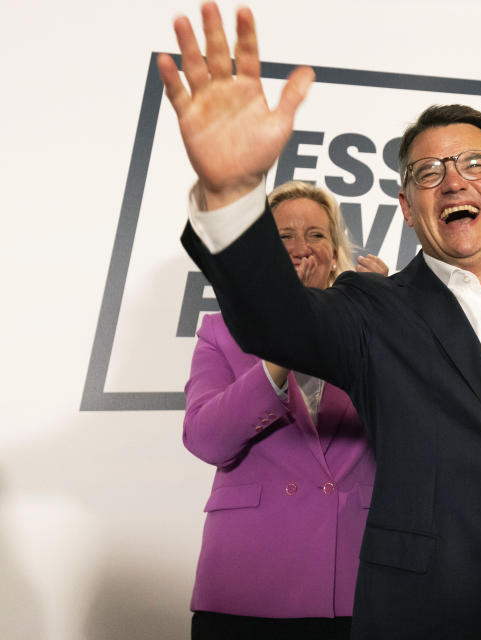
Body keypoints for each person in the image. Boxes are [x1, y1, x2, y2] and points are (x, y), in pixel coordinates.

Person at [160, 4, 481, 639]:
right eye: (428, 173)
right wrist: (232, 196)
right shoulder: (373, 309)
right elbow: (275, 321)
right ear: (407, 207)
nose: (453, 181)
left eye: (474, 164)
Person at [183, 180, 385, 640]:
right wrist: (281, 345)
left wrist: (387, 317)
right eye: (284, 236)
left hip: (354, 584)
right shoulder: (219, 332)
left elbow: (413, 431)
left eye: (316, 235)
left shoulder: (371, 331)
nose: (301, 248)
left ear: (336, 253)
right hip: (247, 583)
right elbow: (206, 439)